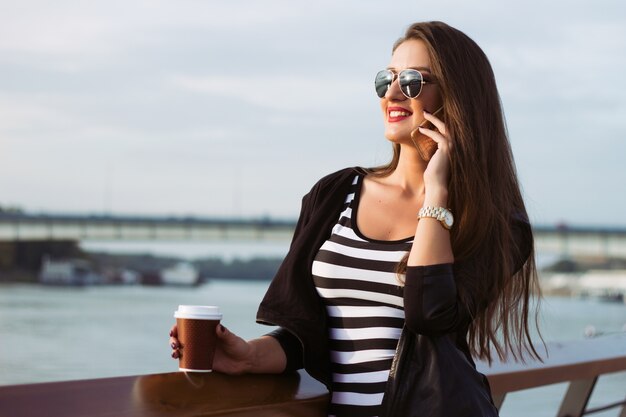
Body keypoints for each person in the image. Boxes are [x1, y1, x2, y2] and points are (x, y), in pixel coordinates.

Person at [169, 21, 543, 417]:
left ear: (456, 99)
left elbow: (429, 315)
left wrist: (436, 192)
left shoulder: (497, 225)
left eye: (414, 81)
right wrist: (247, 355)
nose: (393, 94)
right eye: (387, 79)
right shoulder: (334, 195)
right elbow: (308, 331)